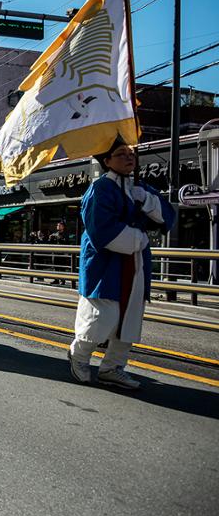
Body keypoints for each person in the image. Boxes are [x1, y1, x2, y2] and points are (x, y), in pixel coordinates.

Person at [68, 140, 176, 390]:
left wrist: (148, 201)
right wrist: (138, 238)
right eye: (121, 154)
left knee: (130, 317)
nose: (129, 158)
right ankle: (80, 356)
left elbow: (167, 216)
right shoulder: (100, 188)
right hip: (105, 263)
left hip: (135, 262)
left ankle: (113, 367)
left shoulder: (140, 186)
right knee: (102, 316)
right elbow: (100, 230)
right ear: (107, 160)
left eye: (131, 154)